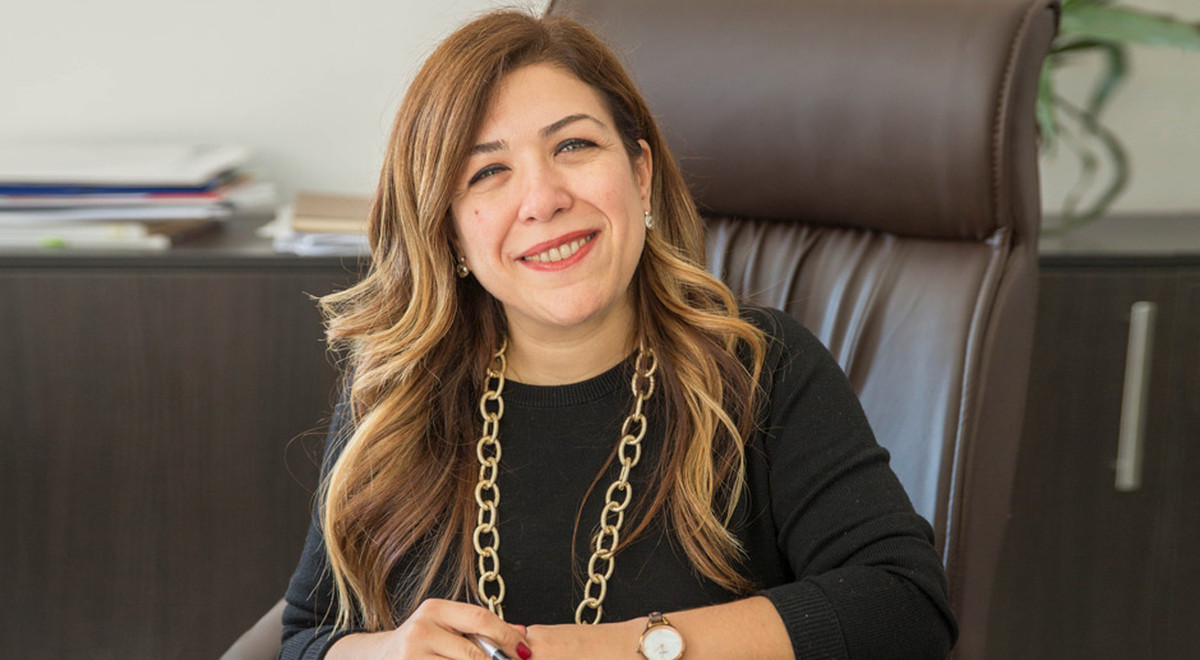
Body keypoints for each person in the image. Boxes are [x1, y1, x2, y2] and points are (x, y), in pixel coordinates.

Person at [281, 9, 956, 660]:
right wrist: (385, 651)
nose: (543, 198)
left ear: (640, 173)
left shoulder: (761, 367)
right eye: (487, 171)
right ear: (451, 232)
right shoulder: (397, 397)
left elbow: (904, 605)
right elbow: (305, 636)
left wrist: (635, 648)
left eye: (573, 146)